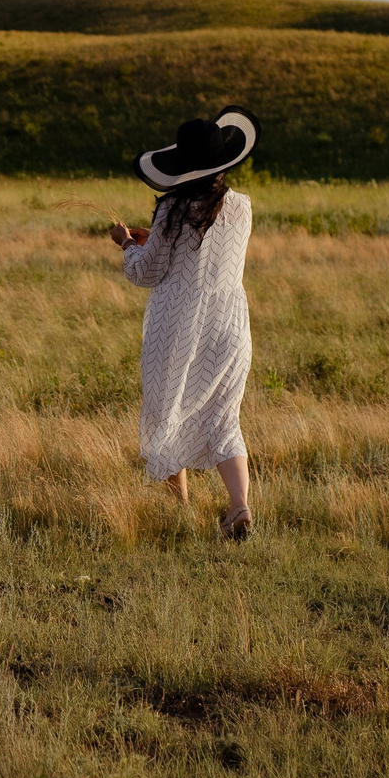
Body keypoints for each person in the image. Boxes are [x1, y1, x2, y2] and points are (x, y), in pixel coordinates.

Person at [106, 108, 258, 539]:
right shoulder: (242, 207)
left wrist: (125, 245)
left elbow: (146, 273)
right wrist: (153, 235)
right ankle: (239, 506)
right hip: (229, 328)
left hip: (178, 328)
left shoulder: (172, 208)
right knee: (225, 418)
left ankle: (181, 510)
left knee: (167, 409)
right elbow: (202, 249)